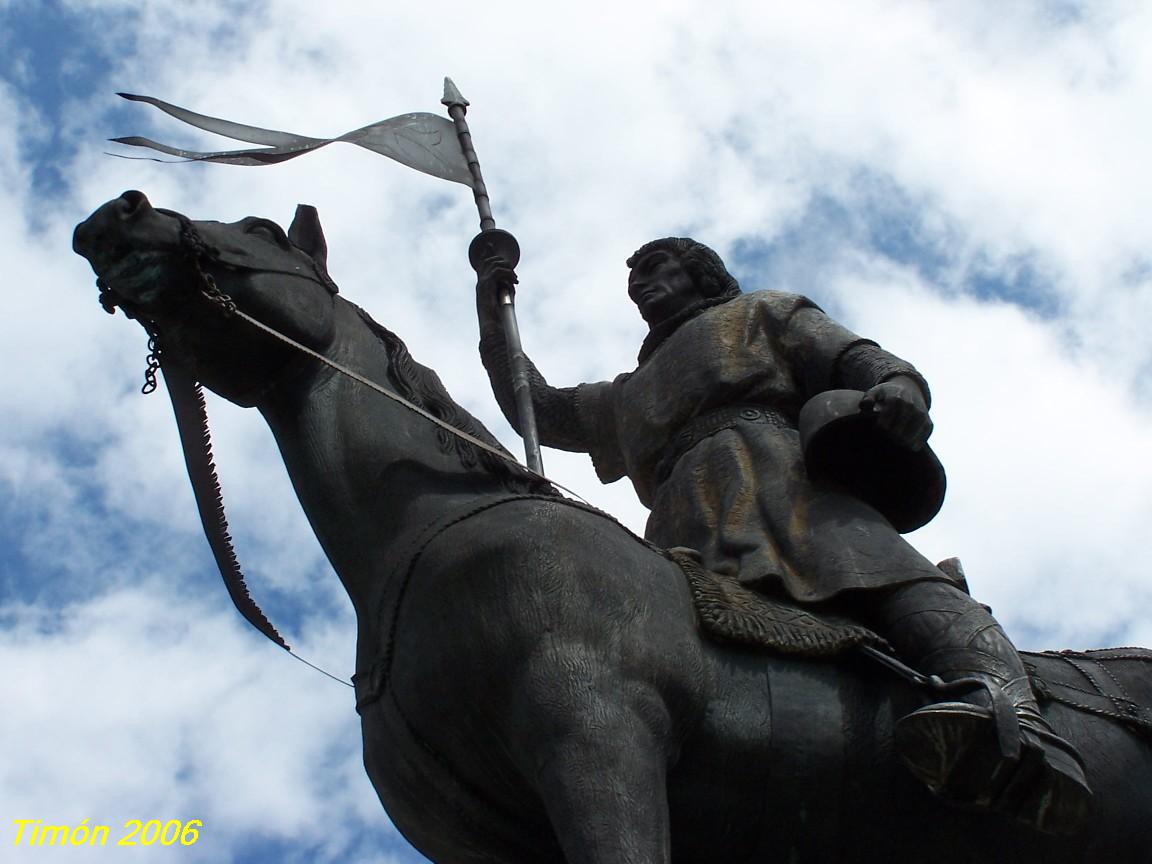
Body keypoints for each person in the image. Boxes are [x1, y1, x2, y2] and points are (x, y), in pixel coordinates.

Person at [475, 238, 1090, 834]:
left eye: (657, 266)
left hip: (784, 477)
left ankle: (1010, 715)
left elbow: (853, 356)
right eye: (634, 278)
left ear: (701, 273)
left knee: (884, 574)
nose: (640, 283)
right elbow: (542, 408)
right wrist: (493, 305)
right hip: (681, 517)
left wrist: (901, 384)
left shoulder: (758, 313)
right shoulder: (626, 394)